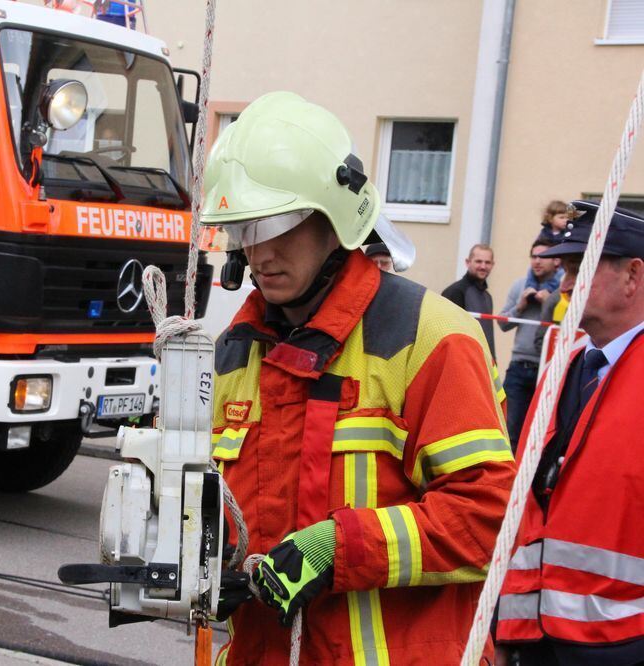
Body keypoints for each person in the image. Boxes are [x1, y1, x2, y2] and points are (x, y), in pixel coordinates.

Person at [201, 92, 515, 665]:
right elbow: (230, 505)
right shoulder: (235, 353)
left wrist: (339, 548)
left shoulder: (432, 338)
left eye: (279, 224)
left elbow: (488, 520)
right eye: (245, 227)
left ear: (336, 220)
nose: (259, 251)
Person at [496, 200, 644, 666]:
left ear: (633, 276)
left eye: (580, 268)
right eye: (563, 269)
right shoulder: (565, 365)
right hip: (534, 639)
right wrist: (503, 626)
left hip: (622, 645)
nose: (564, 285)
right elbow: (526, 505)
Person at [497, 241, 560, 448]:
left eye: (543, 256)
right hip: (519, 367)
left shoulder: (562, 290)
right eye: (533, 256)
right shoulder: (520, 285)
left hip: (549, 368)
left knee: (540, 432)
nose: (537, 261)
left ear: (556, 261)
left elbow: (572, 326)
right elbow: (502, 324)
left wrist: (549, 304)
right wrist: (520, 306)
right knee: (508, 430)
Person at [443, 244, 497, 358]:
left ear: (493, 265)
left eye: (487, 262)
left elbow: (488, 336)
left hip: (483, 362)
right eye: (478, 261)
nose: (483, 266)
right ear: (468, 262)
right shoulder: (455, 292)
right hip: (461, 360)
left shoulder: (487, 297)